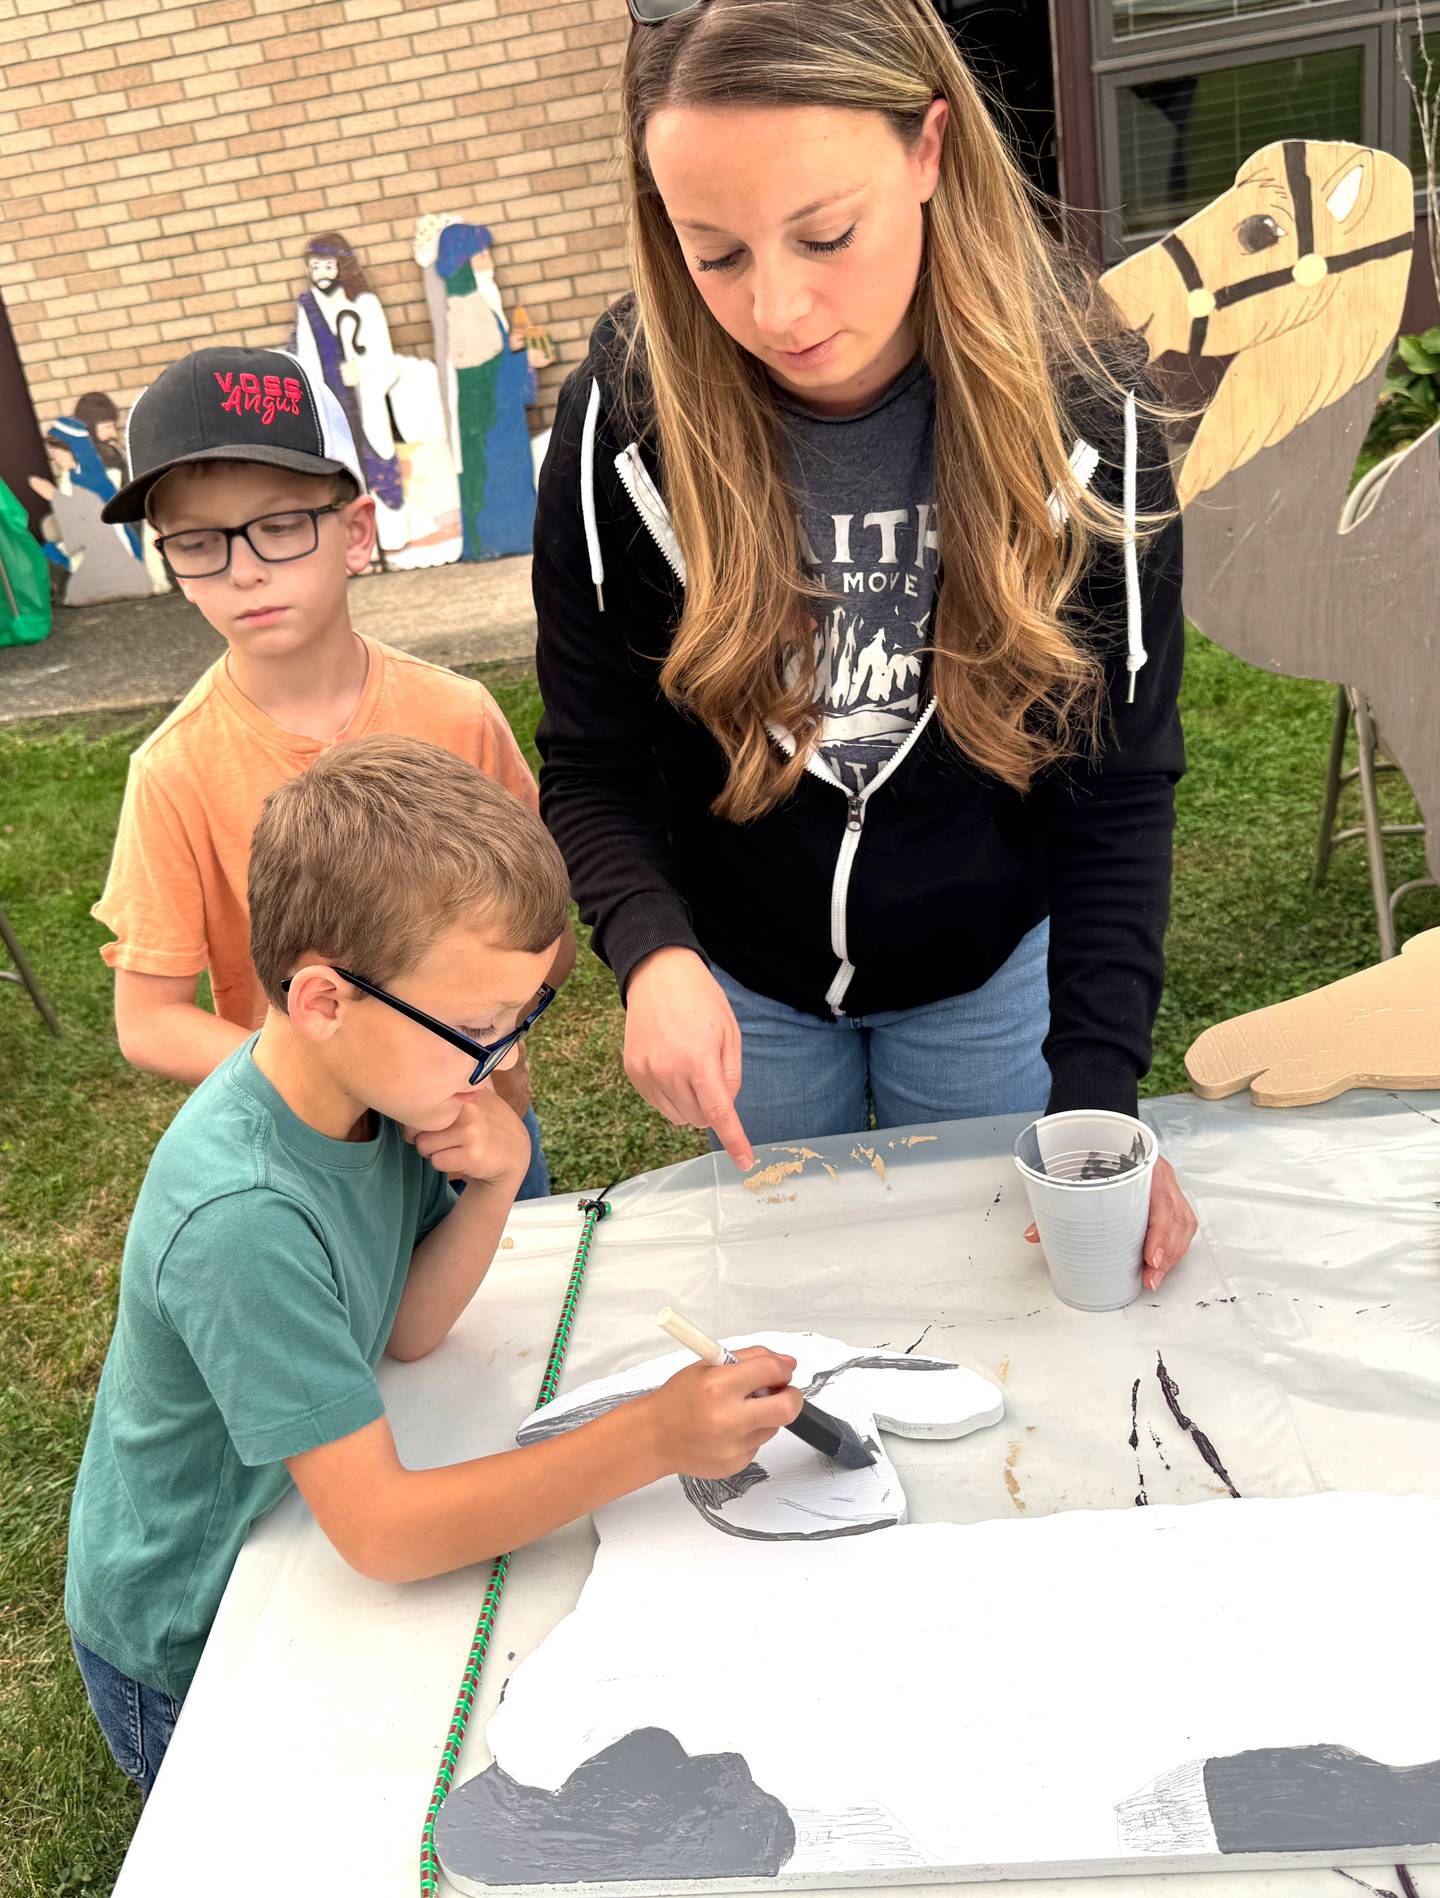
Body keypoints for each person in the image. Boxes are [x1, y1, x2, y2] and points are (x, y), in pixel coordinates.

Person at [533, 0, 1197, 1285]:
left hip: (989, 976)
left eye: (824, 233)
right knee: (803, 1312)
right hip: (743, 988)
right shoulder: (621, 415)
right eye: (712, 252)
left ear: (930, 149)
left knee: (1003, 1310)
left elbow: (1120, 788)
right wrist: (652, 949)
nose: (779, 307)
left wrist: (1099, 1094)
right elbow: (595, 759)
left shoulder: (1092, 411)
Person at [66, 734, 804, 1798]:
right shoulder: (242, 1214)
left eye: (516, 1021)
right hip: (199, 1622)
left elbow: (407, 1327)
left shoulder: (373, 1091)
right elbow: (384, 1529)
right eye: (475, 1028)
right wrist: (652, 1435)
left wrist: (497, 1182)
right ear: (323, 999)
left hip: (297, 1538)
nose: (502, 1063)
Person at [92, 344, 569, 1198]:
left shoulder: (458, 716)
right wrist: (341, 1071)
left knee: (522, 1322)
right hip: (315, 1157)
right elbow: (149, 1020)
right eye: (200, 542)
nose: (244, 569)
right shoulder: (172, 769)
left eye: (279, 525)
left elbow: (544, 931)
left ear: (354, 531)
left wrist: (480, 1038)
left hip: (477, 1127)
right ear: (170, 561)